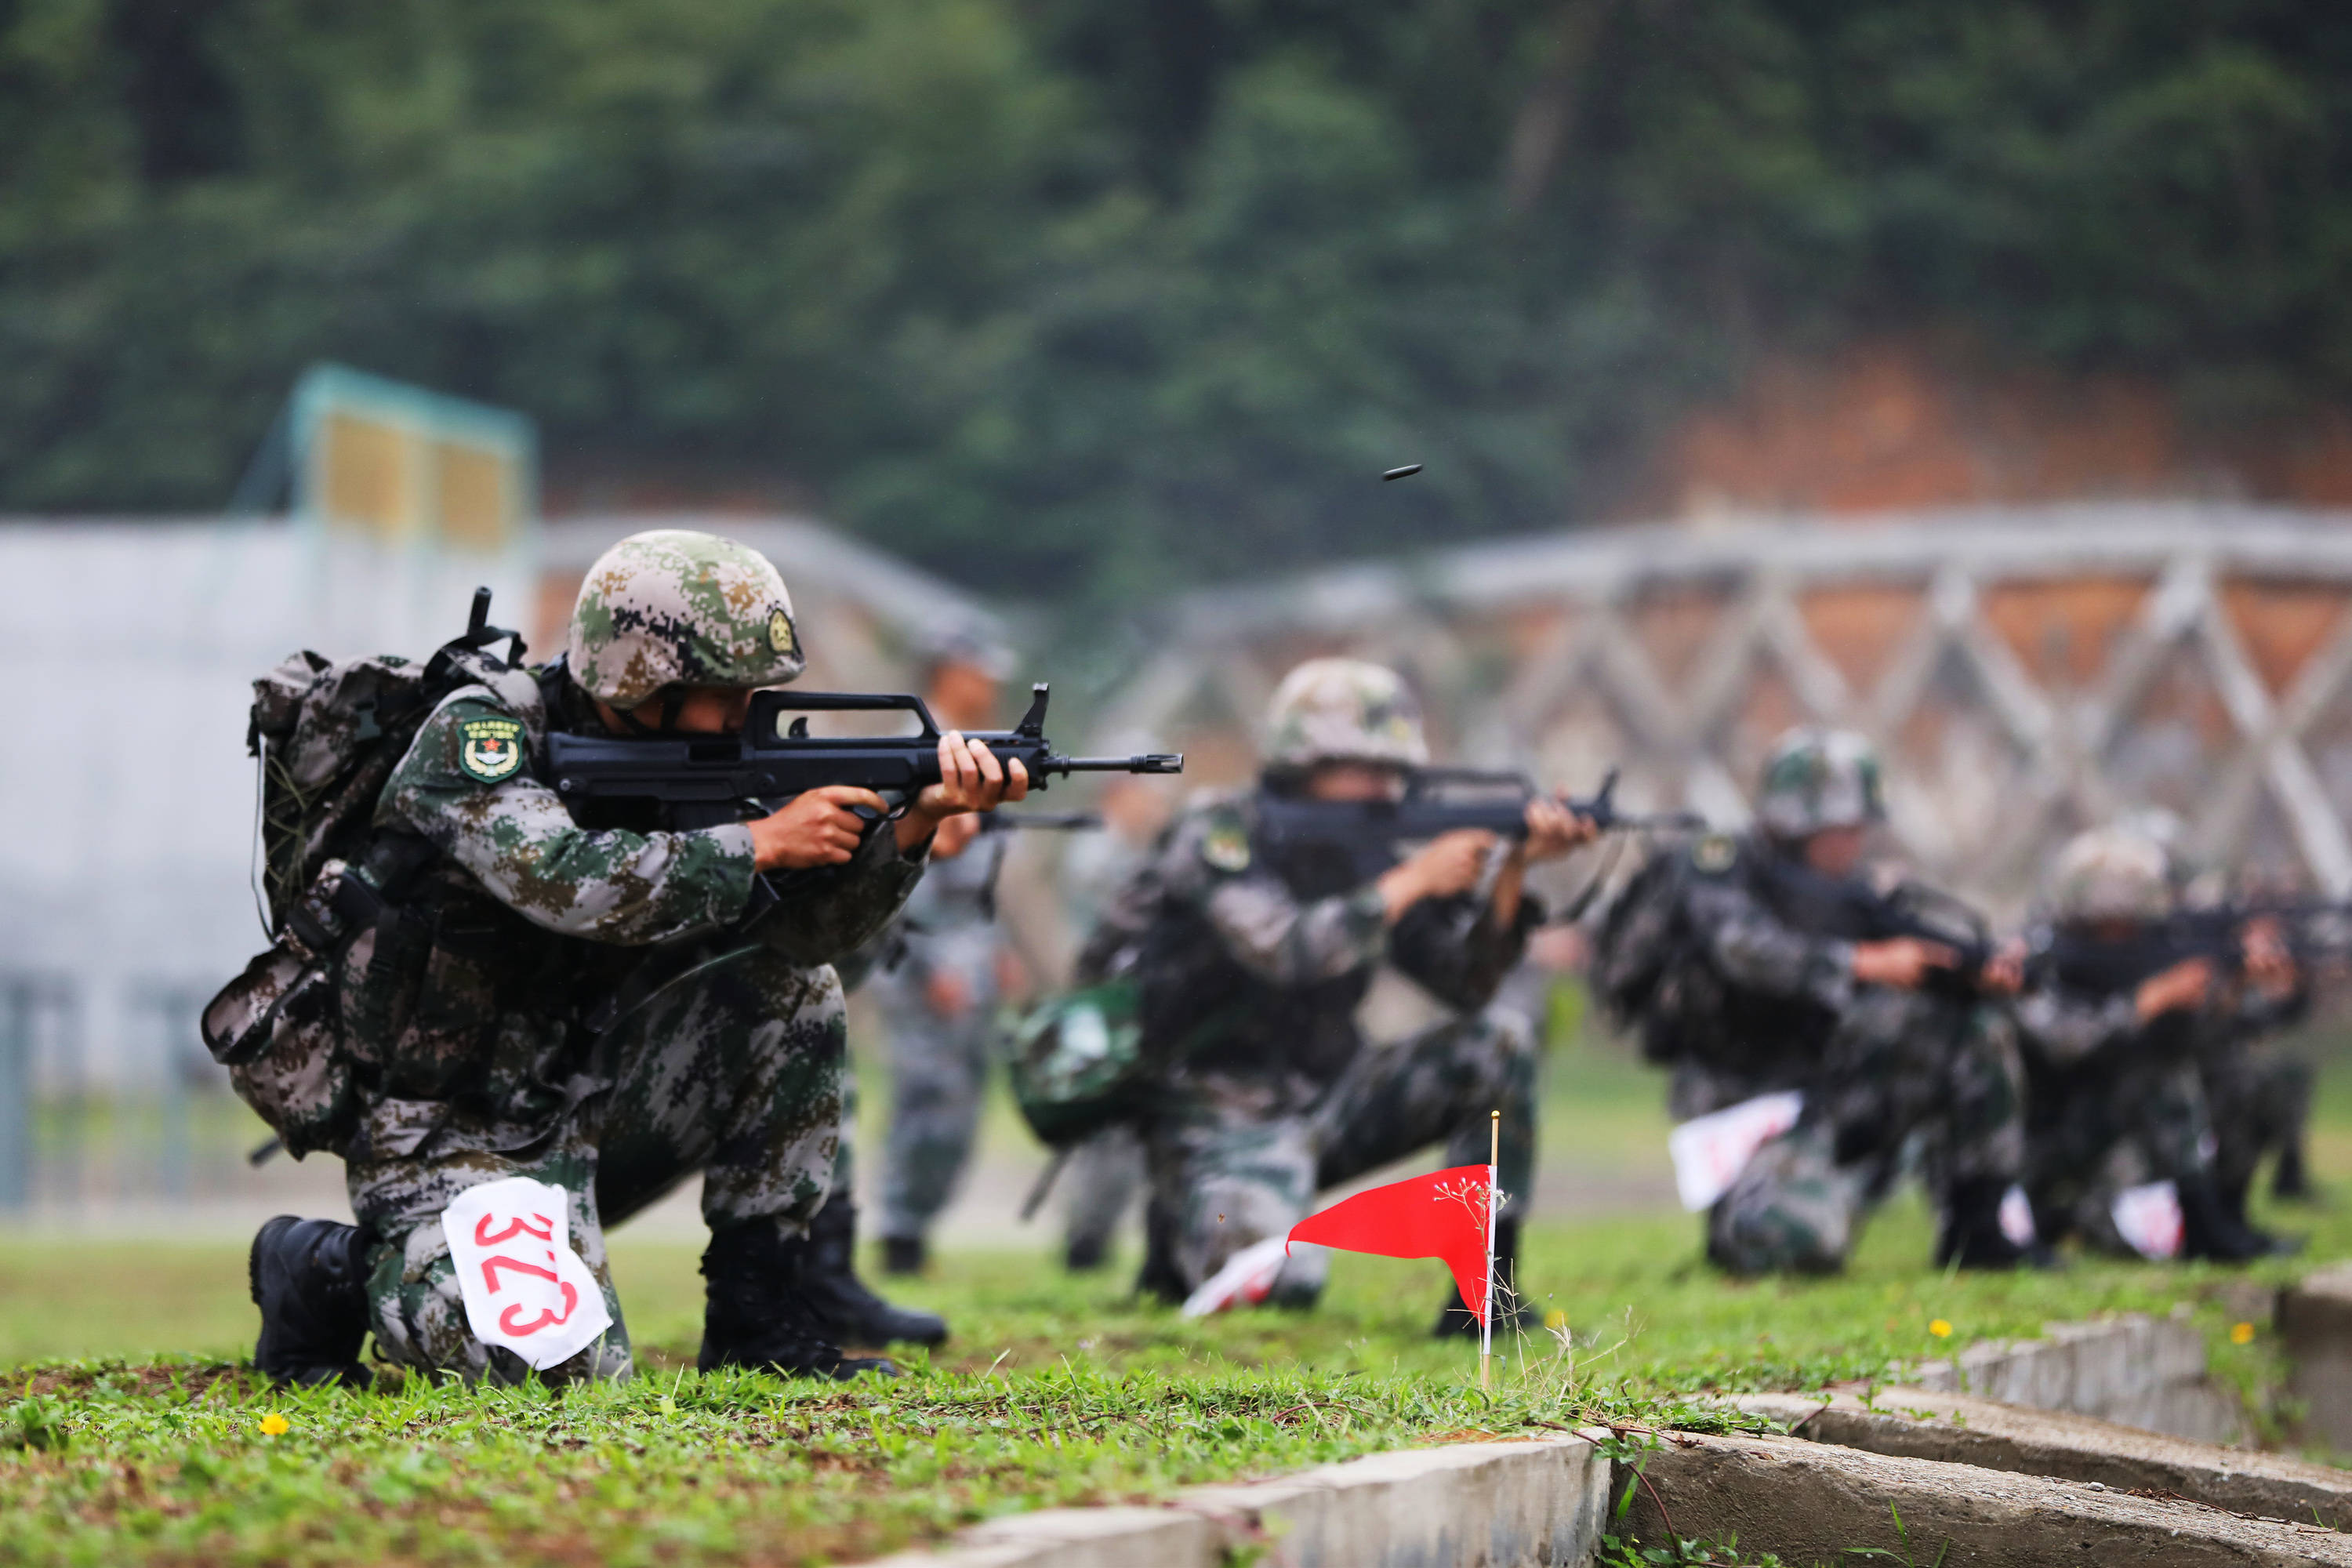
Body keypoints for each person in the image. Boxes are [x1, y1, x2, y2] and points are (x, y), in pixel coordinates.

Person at [245, 529, 1025, 1388]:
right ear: (640, 676)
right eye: (725, 691)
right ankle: (330, 1269)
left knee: (790, 990)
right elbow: (560, 879)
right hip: (448, 1137)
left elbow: (807, 941)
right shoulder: (482, 736)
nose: (745, 710)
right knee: (552, 1371)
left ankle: (758, 1318)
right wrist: (759, 841)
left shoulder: (698, 764)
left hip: (596, 1109)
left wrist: (908, 831)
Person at [1080, 658, 1595, 1333]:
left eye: (1392, 772)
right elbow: (1283, 949)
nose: (1382, 789)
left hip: (1329, 1099)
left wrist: (1512, 872)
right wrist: (1412, 880)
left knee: (1498, 1043)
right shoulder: (1219, 833)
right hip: (1223, 1118)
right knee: (1277, 1288)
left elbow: (1463, 985)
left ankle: (1483, 1302)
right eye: (1362, 767)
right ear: (1303, 763)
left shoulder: (1368, 859)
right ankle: (1181, 1222)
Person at [1590, 728, 2035, 1274]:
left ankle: (1980, 1230)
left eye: (1858, 830)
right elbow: (1744, 949)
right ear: (1797, 823)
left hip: (1832, 1091)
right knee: (1792, 1243)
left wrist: (1972, 967)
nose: (1854, 844)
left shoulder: (1852, 892)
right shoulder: (1717, 865)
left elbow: (1916, 938)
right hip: (1744, 1106)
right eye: (1842, 831)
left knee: (1971, 1026)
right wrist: (1865, 962)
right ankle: (1759, 1210)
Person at [2013, 826, 2296, 1261]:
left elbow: (2211, 1042)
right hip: (2046, 1146)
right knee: (2156, 1078)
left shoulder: (2157, 949)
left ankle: (2218, 1221)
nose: (2125, 938)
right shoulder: (2038, 960)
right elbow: (2063, 1042)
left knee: (2236, 1075)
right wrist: (2147, 1001)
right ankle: (2066, 1216)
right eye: (2110, 927)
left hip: (2122, 1141)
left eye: (2133, 926)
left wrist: (2231, 985)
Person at [859, 632, 1021, 1276]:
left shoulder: (968, 747)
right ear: (951, 673)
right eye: (981, 672)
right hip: (923, 954)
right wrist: (929, 967)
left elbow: (976, 867)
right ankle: (901, 1229)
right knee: (926, 1091)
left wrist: (997, 947)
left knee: (965, 1092)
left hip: (969, 949)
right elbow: (899, 865)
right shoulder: (914, 745)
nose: (992, 687)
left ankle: (920, 1224)